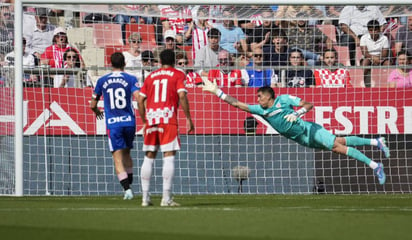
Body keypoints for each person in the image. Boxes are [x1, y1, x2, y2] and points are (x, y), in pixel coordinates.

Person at [202, 80, 389, 185]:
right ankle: (376, 142)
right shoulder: (261, 110)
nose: (257, 99)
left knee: (337, 146)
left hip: (309, 129)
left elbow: (309, 104)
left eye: (260, 96)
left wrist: (298, 113)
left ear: (269, 96)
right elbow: (237, 103)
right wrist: (217, 91)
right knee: (340, 141)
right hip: (303, 140)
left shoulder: (283, 99)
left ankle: (375, 165)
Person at [137, 49, 194, 207]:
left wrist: (144, 120)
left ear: (160, 61)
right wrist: (188, 118)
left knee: (149, 156)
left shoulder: (150, 76)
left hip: (152, 119)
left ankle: (145, 198)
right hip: (167, 118)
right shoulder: (178, 74)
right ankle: (166, 198)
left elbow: (140, 100)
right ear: (175, 61)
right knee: (168, 156)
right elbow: (182, 95)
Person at [90, 52, 140, 200]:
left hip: (114, 124)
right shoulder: (131, 79)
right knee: (127, 154)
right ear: (124, 63)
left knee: (117, 158)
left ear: (110, 63)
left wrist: (96, 111)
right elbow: (138, 97)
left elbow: (92, 104)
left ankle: (127, 190)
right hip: (129, 122)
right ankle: (130, 185)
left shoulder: (102, 80)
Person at [360, 20, 390, 87]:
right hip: (368, 57)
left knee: (388, 64)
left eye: (375, 30)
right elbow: (365, 53)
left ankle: (387, 83)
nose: (373, 32)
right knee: (365, 62)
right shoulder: (364, 38)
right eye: (371, 30)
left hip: (381, 57)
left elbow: (385, 53)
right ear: (368, 30)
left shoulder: (384, 38)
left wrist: (378, 58)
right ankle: (362, 82)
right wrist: (374, 58)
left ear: (379, 29)